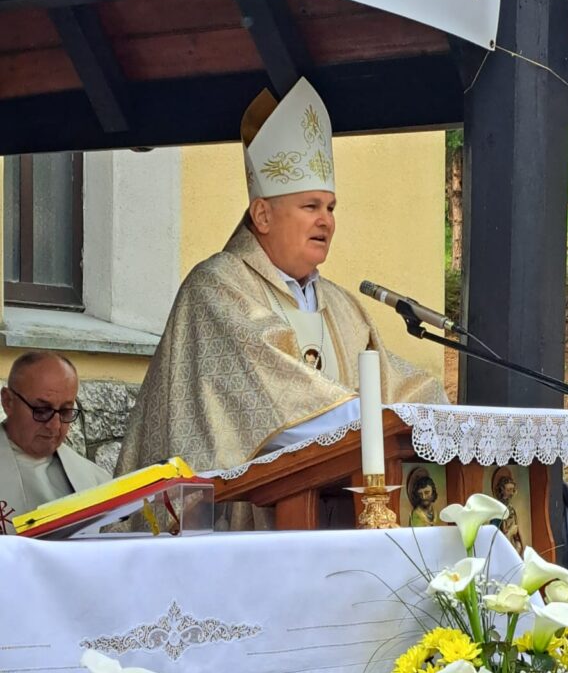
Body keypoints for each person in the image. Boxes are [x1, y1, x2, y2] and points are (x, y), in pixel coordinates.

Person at [117, 78, 446, 492]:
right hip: (246, 512)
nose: (326, 221)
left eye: (330, 207)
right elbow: (274, 406)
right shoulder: (218, 288)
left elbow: (398, 387)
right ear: (263, 215)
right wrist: (376, 421)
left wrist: (444, 418)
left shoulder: (344, 307)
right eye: (310, 206)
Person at [0, 351, 110, 534]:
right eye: (42, 410)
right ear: (8, 401)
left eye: (65, 412)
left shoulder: (97, 482)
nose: (55, 425)